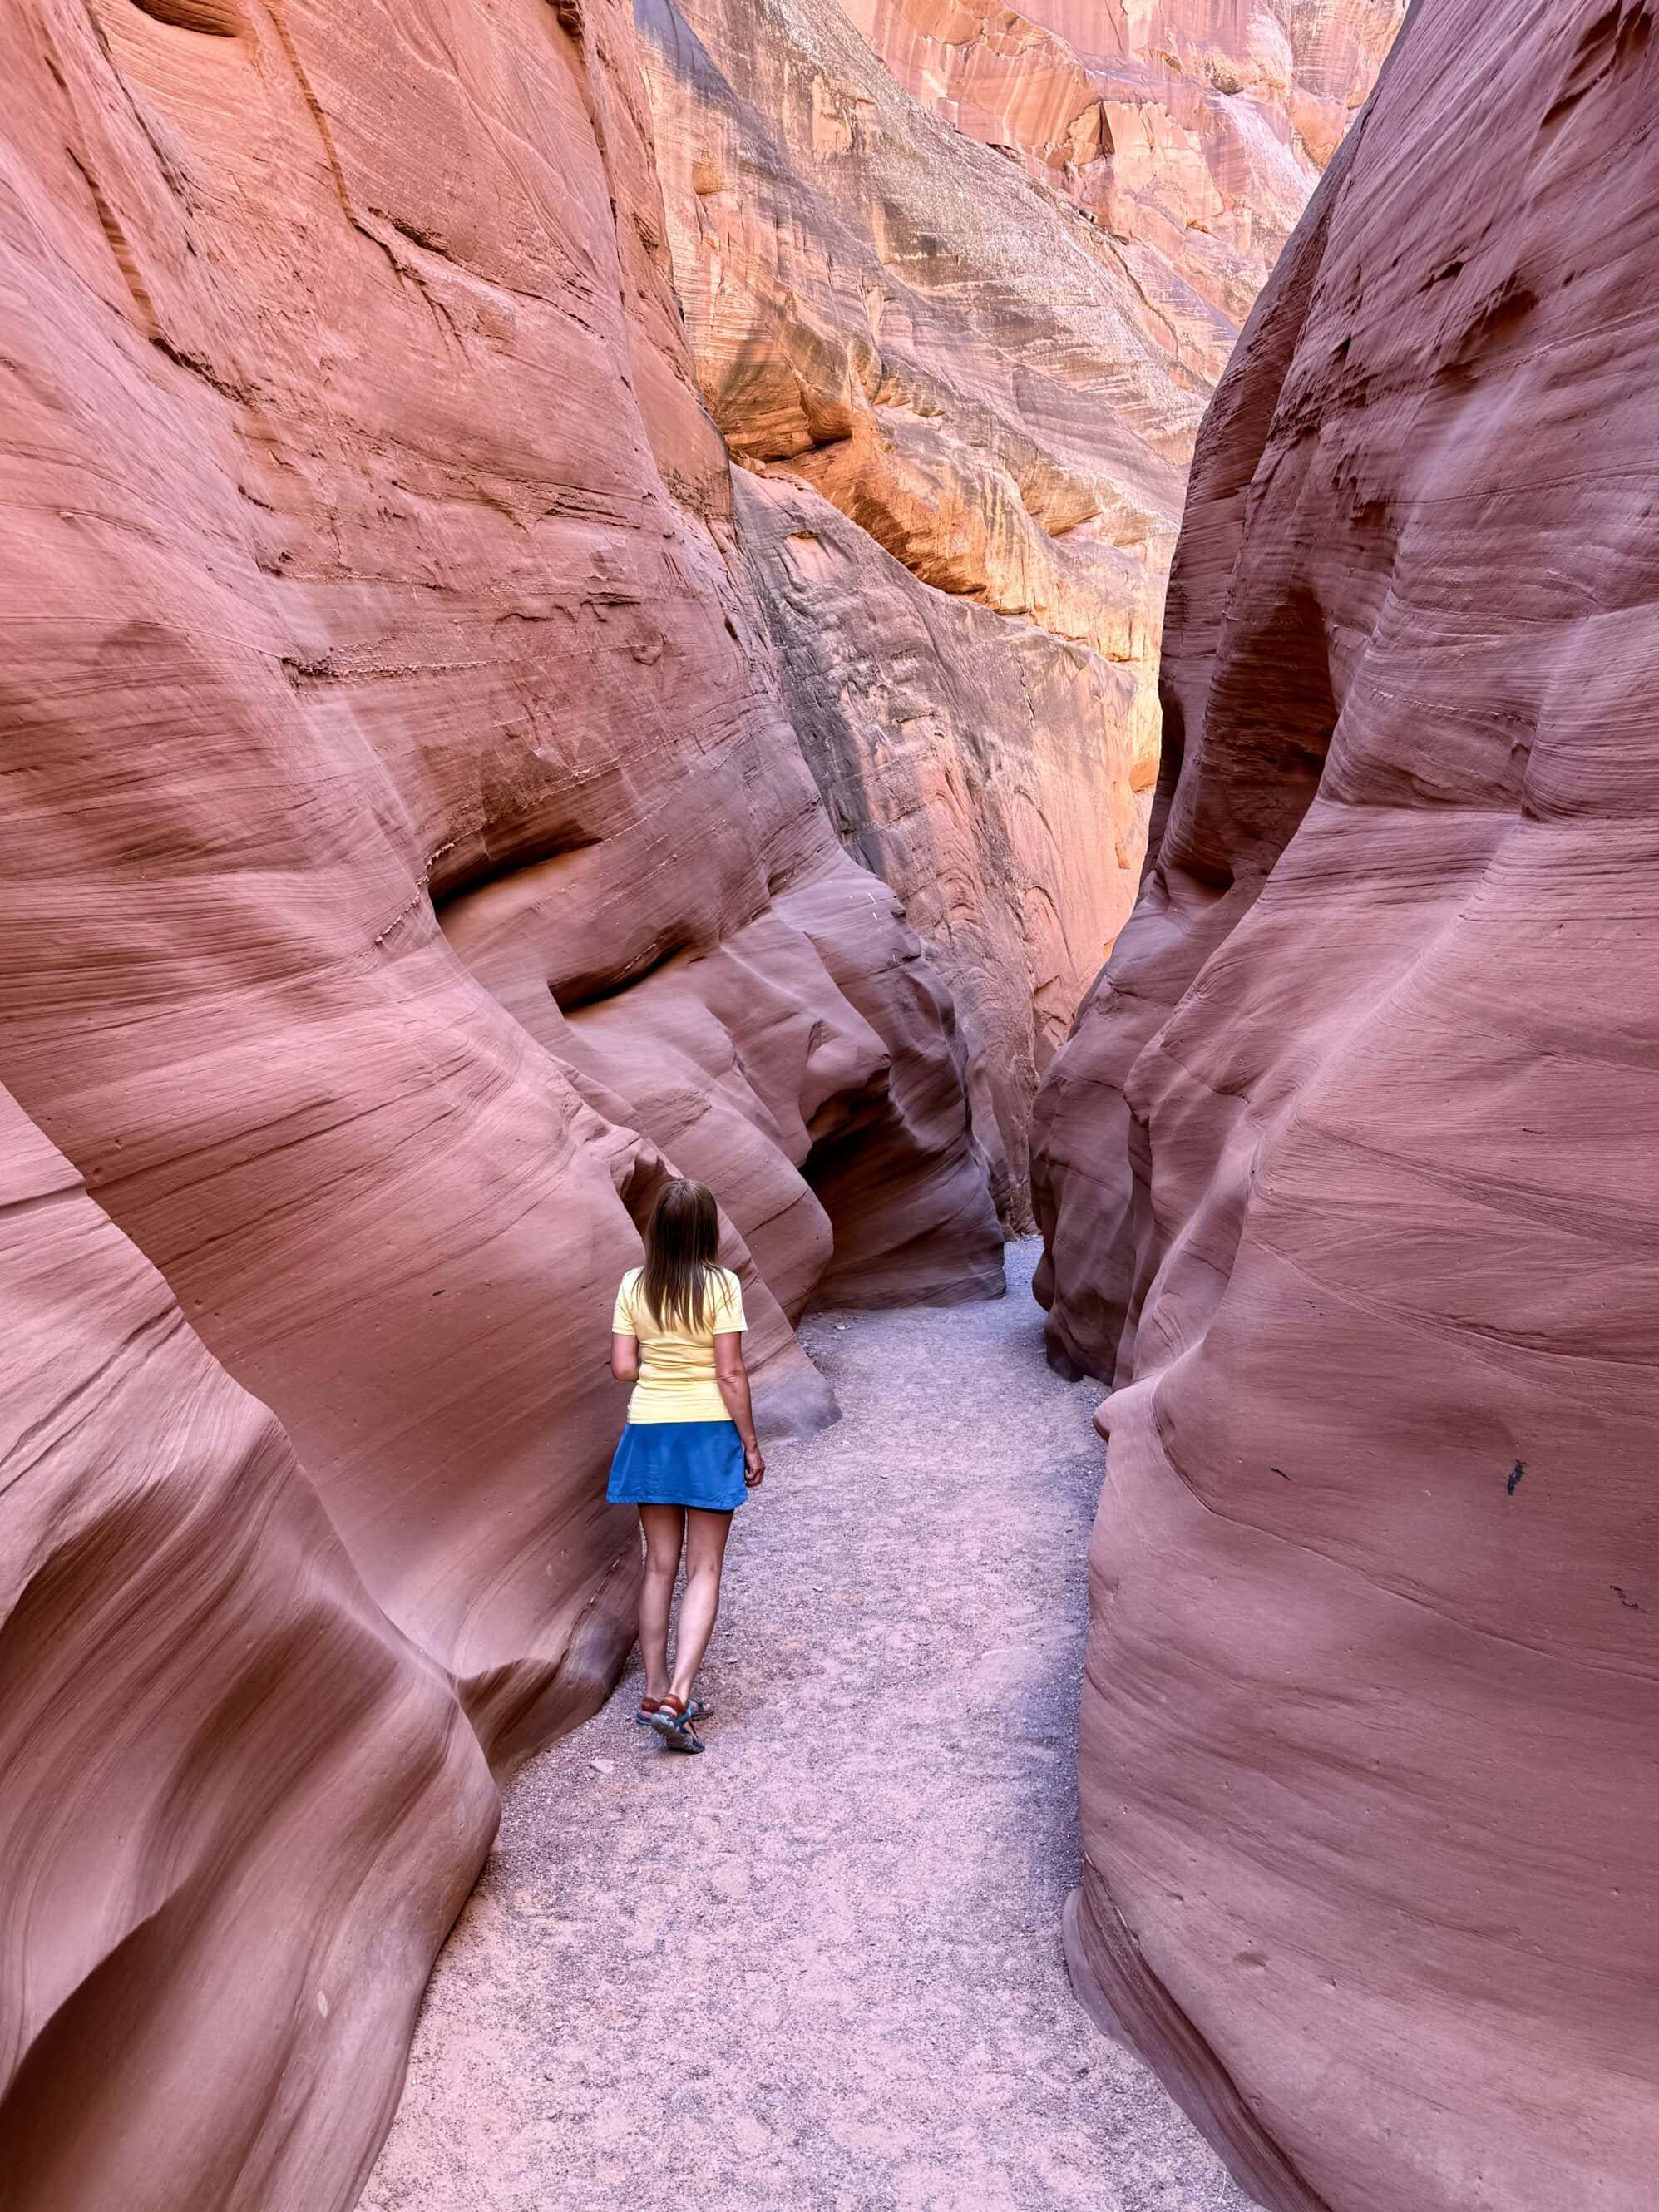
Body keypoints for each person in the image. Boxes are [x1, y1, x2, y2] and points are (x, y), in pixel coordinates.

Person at [608, 1178, 765, 1754]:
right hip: (705, 1431)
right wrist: (749, 1443)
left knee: (659, 1567)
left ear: (655, 1230)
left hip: (649, 1428)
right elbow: (729, 1373)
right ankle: (677, 1696)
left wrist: (661, 1359)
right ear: (706, 1229)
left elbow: (622, 1369)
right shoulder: (721, 1284)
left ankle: (651, 1692)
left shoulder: (632, 1284)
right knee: (704, 1570)